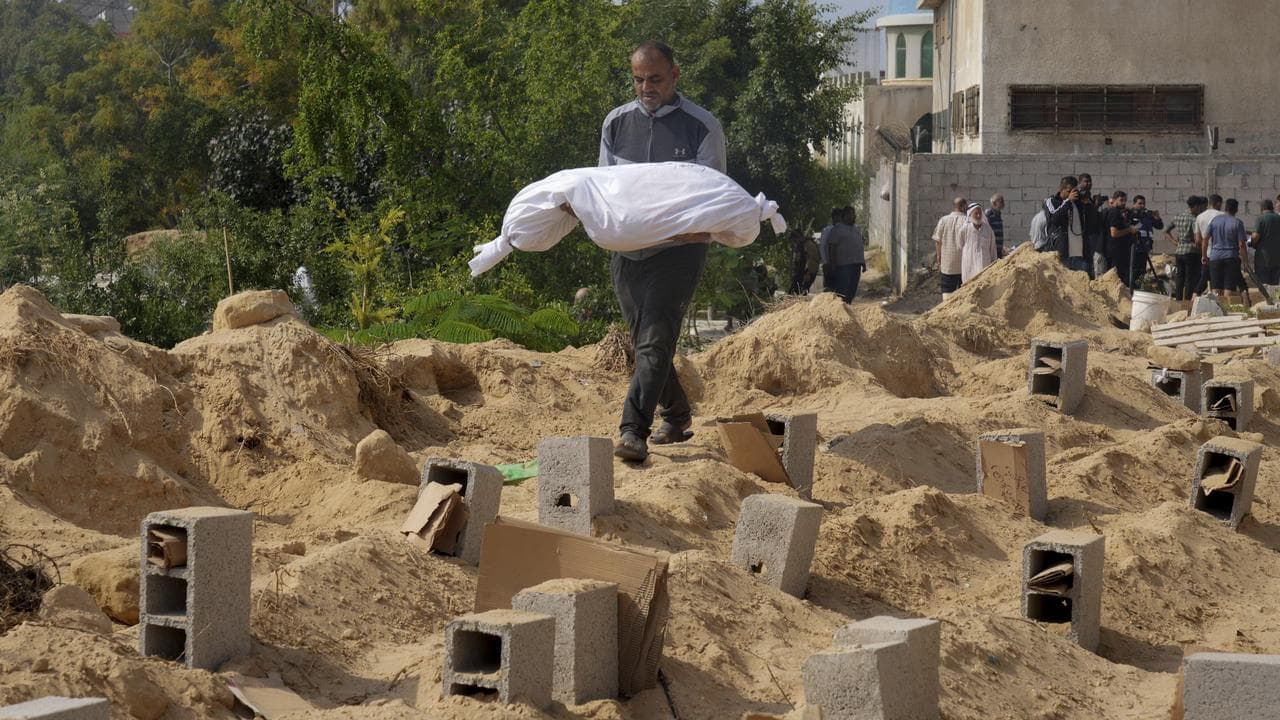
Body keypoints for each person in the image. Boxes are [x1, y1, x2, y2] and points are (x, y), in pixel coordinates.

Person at [599, 40, 726, 462]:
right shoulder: (615, 123)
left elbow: (712, 194)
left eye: (655, 78)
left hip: (678, 253)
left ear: (675, 75)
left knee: (654, 341)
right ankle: (677, 412)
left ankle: (633, 430)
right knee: (646, 343)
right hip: (628, 253)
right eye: (638, 79)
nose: (646, 87)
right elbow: (604, 188)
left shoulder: (702, 126)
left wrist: (696, 230)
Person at [1204, 198, 1250, 305]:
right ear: (1236, 209)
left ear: (1225, 208)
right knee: (1228, 287)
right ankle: (1227, 309)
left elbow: (1205, 240)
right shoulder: (1237, 223)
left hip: (1215, 258)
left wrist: (1204, 256)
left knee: (1216, 288)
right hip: (1231, 258)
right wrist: (1246, 262)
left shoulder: (1215, 220)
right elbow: (1242, 244)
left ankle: (1216, 310)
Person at [1042, 177, 1089, 273]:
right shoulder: (1052, 201)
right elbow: (1054, 219)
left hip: (1079, 253)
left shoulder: (1077, 203)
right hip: (1061, 251)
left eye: (1074, 191)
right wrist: (1067, 201)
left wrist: (1087, 202)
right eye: (1068, 191)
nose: (1071, 194)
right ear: (1061, 189)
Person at [821, 206, 866, 302]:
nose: (854, 216)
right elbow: (831, 248)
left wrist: (863, 262)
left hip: (856, 265)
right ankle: (840, 312)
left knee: (851, 291)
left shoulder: (856, 229)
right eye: (851, 214)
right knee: (842, 293)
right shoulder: (837, 229)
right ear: (845, 216)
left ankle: (848, 309)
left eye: (854, 214)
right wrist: (832, 264)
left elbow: (859, 246)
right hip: (844, 266)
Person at [1165, 196, 1205, 301]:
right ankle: (1187, 300)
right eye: (1199, 207)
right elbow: (1197, 239)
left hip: (1179, 251)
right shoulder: (1194, 219)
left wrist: (1175, 242)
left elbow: (1166, 231)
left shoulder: (1178, 216)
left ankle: (1178, 300)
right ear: (1196, 206)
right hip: (1190, 251)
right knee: (1189, 279)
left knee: (1180, 278)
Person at [932, 197, 968, 299]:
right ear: (963, 206)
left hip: (948, 265)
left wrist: (939, 256)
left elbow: (937, 240)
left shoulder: (943, 220)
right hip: (964, 265)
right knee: (963, 294)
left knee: (947, 293)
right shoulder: (967, 221)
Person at [1126, 194, 1163, 289]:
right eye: (1139, 203)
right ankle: (1131, 288)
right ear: (1134, 204)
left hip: (1145, 248)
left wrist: (1157, 217)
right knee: (1134, 270)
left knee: (1142, 271)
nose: (1142, 205)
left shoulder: (1147, 215)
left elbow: (1159, 226)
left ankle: (1139, 288)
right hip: (1135, 247)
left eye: (1144, 203)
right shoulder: (1131, 214)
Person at [1194, 194, 1225, 296]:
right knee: (1218, 283)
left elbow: (1198, 240)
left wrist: (1202, 253)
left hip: (1206, 254)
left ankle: (1192, 302)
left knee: (1203, 281)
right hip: (1220, 254)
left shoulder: (1199, 217)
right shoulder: (1223, 215)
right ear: (1218, 203)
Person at [1077, 173, 1106, 279]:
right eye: (1085, 181)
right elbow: (1086, 215)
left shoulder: (1088, 197)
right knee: (1085, 262)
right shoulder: (1078, 196)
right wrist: (1096, 205)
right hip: (1082, 234)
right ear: (1079, 182)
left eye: (1090, 181)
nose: (1088, 183)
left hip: (1091, 234)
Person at [959, 202, 997, 283]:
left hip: (985, 266)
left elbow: (993, 249)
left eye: (980, 213)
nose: (978, 216)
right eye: (976, 213)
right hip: (969, 267)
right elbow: (960, 245)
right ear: (970, 214)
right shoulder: (964, 229)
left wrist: (994, 265)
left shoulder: (988, 230)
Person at [1251, 198, 1280, 286]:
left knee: (1263, 288)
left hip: (1263, 260)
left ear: (1261, 208)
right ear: (1272, 208)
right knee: (1275, 287)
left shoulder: (1261, 218)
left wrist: (1252, 243)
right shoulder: (1278, 218)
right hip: (1277, 259)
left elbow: (1255, 236)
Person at [986, 194, 1006, 258]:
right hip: (992, 250)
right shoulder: (989, 214)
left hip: (998, 250)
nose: (1003, 204)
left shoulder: (998, 214)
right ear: (994, 203)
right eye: (1001, 202)